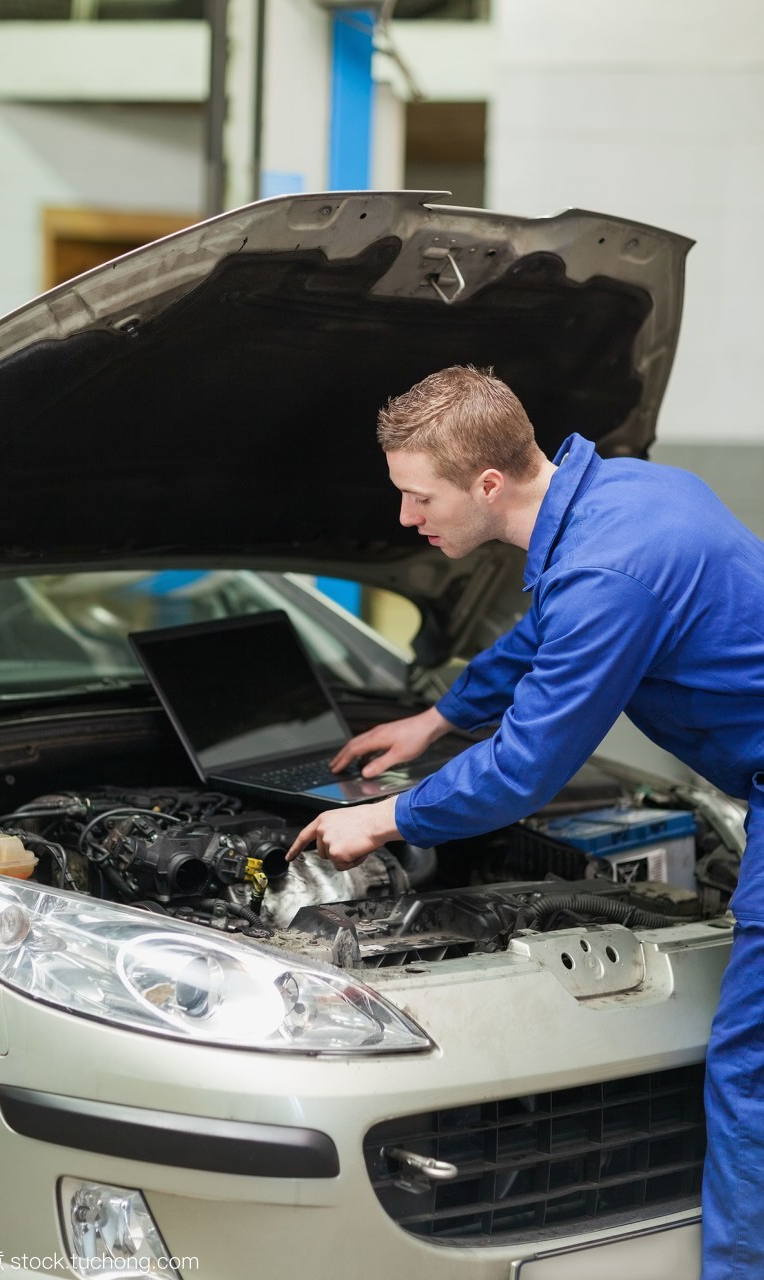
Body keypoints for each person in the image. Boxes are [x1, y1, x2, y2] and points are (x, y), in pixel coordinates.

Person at [284, 365, 764, 1279]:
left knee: (749, 1072)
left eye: (417, 496)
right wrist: (436, 718)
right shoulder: (625, 494)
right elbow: (545, 631)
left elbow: (523, 772)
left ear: (488, 484)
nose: (404, 519)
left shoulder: (608, 570)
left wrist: (384, 821)